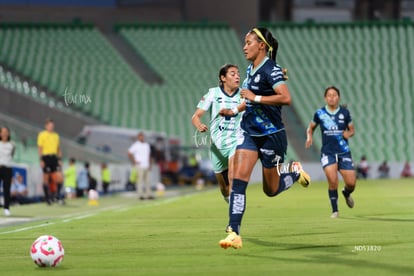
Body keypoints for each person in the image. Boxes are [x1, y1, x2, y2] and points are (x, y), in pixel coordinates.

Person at [217, 27, 310, 249]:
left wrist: (256, 97)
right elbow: (248, 100)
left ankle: (294, 172)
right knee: (237, 182)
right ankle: (234, 232)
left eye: (248, 42)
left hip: (271, 136)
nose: (244, 46)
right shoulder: (250, 69)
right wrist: (234, 111)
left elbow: (285, 98)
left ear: (261, 46)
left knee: (270, 190)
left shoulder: (271, 69)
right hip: (249, 133)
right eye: (244, 42)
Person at [192, 64, 243, 203]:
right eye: (232, 74)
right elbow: (195, 116)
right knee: (225, 189)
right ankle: (229, 201)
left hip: (236, 142)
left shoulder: (244, 94)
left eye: (238, 73)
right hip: (217, 146)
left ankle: (234, 218)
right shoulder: (213, 93)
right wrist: (199, 125)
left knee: (233, 178)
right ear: (223, 78)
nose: (237, 76)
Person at [305, 86, 356, 219]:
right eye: (329, 95)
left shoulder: (345, 113)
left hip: (344, 152)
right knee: (333, 181)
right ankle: (335, 211)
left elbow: (352, 130)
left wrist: (348, 133)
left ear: (338, 97)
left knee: (351, 183)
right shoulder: (320, 113)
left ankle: (346, 192)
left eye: (334, 95)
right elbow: (310, 128)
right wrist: (309, 137)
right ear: (325, 98)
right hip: (328, 153)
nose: (332, 97)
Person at [37, 118, 64, 205]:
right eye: (49, 126)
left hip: (54, 158)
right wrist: (41, 159)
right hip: (46, 157)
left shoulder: (56, 136)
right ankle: (47, 198)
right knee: (46, 178)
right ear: (46, 126)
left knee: (60, 178)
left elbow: (58, 148)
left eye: (52, 126)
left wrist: (59, 159)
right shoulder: (42, 135)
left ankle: (57, 196)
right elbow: (40, 148)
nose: (51, 127)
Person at [128, 132, 154, 200]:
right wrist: (134, 161)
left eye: (142, 136)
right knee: (140, 180)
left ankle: (149, 194)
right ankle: (140, 195)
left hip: (146, 165)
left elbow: (149, 155)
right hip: (139, 165)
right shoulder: (136, 145)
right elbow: (129, 153)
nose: (141, 138)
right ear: (138, 137)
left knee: (147, 181)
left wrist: (150, 164)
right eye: (140, 136)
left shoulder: (146, 145)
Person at [0, 127, 16, 216]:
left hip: (7, 168)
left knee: (7, 189)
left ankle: (6, 208)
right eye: (3, 132)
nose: (4, 134)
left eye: (6, 132)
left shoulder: (12, 144)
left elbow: (12, 154)